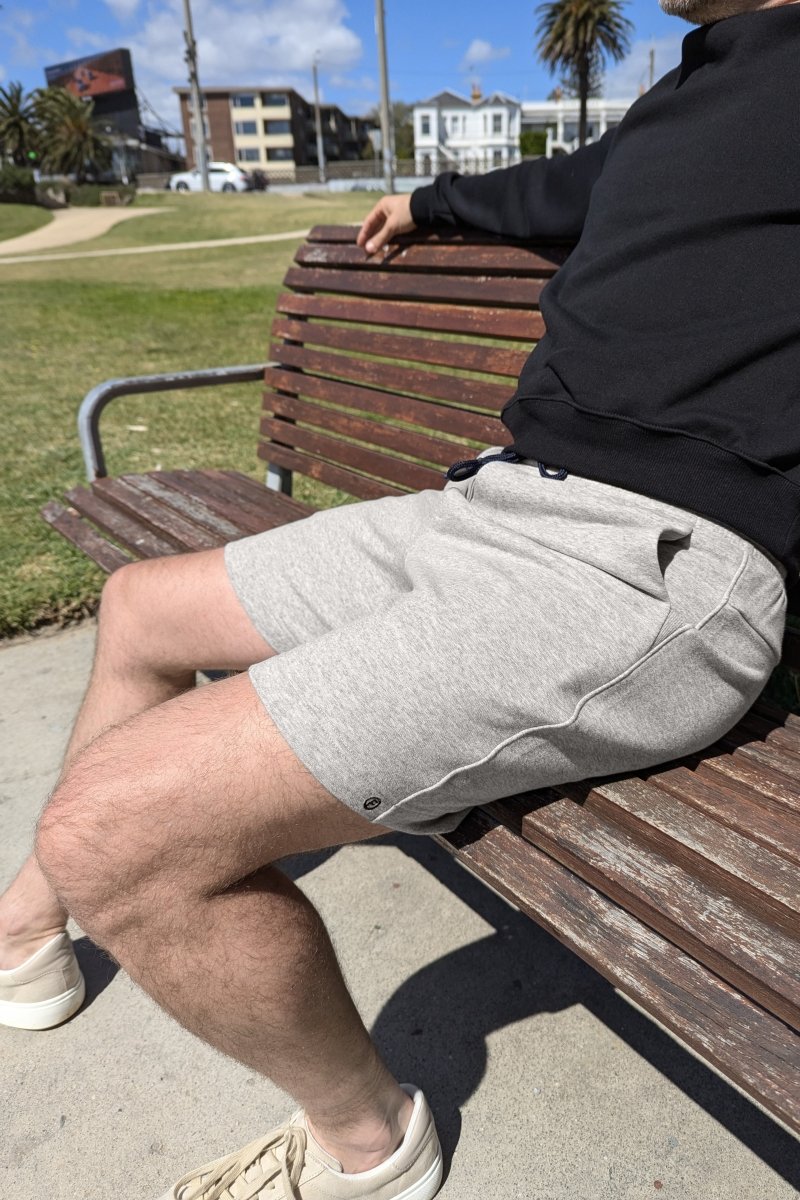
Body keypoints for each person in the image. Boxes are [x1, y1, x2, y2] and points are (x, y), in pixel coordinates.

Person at [1, 0, 797, 1196]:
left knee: (114, 835)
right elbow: (569, 188)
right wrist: (424, 203)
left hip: (643, 570)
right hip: (493, 505)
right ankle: (24, 930)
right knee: (139, 612)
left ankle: (365, 1143)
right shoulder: (701, 87)